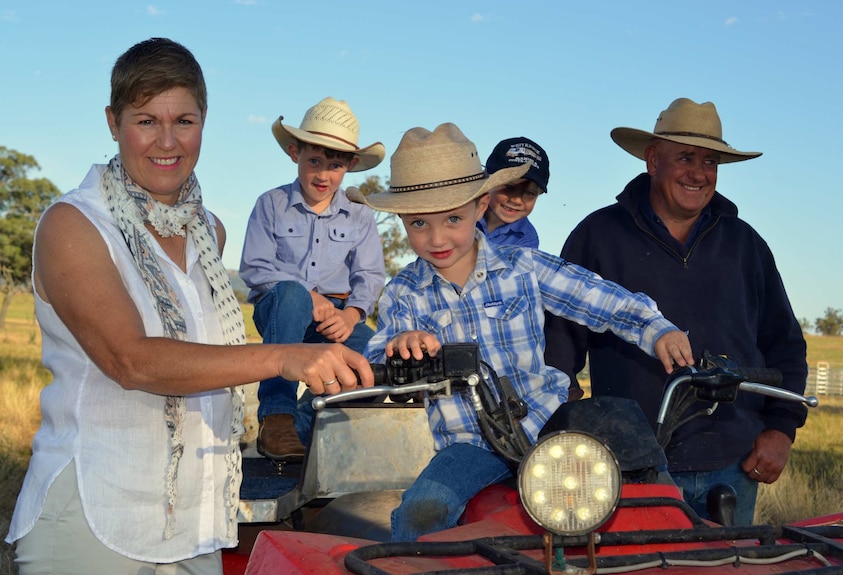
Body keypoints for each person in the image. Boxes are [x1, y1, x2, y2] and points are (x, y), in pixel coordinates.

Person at [5, 38, 373, 575]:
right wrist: (282, 357)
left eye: (185, 120)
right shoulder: (74, 224)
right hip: (97, 517)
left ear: (204, 123)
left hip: (196, 520)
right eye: (146, 120)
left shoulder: (208, 232)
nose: (167, 140)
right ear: (113, 122)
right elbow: (131, 361)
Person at [348, 122, 694, 542]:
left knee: (648, 493)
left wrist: (654, 328)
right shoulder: (404, 293)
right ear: (402, 220)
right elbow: (380, 355)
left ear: (481, 205)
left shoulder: (523, 266)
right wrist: (400, 351)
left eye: (452, 218)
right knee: (421, 511)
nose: (437, 238)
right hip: (470, 443)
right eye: (419, 224)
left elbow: (593, 295)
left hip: (551, 426)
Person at [544, 97, 809, 526]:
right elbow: (557, 346)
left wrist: (781, 431)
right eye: (685, 157)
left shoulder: (746, 246)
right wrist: (575, 426)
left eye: (710, 161)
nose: (699, 173)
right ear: (653, 159)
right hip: (628, 464)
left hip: (734, 462)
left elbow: (785, 345)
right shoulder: (598, 235)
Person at [239, 97, 386, 461]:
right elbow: (255, 267)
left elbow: (369, 275)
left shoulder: (359, 216)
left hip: (337, 316)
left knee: (377, 359)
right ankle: (276, 418)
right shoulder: (270, 204)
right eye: (314, 162)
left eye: (334, 165)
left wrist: (351, 316)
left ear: (350, 166)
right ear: (295, 154)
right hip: (280, 309)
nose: (323, 175)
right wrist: (309, 296)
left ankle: (304, 427)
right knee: (291, 296)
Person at [477, 136, 549, 248]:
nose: (517, 200)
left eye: (530, 193)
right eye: (509, 187)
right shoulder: (462, 209)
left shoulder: (527, 239)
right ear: (487, 179)